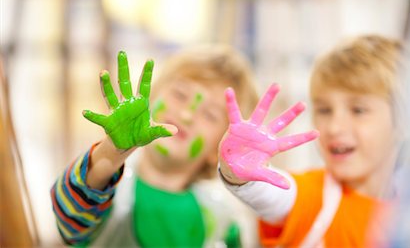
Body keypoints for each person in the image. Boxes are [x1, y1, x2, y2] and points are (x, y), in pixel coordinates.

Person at [50, 45, 259, 247]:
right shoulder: (105, 188)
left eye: (210, 115)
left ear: (221, 149)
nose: (186, 115)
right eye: (180, 95)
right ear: (152, 96)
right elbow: (69, 214)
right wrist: (112, 151)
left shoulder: (223, 220)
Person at [218, 35, 406, 248]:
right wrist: (237, 171)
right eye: (324, 110)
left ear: (406, 120)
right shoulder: (314, 196)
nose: (335, 127)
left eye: (358, 110)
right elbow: (276, 196)